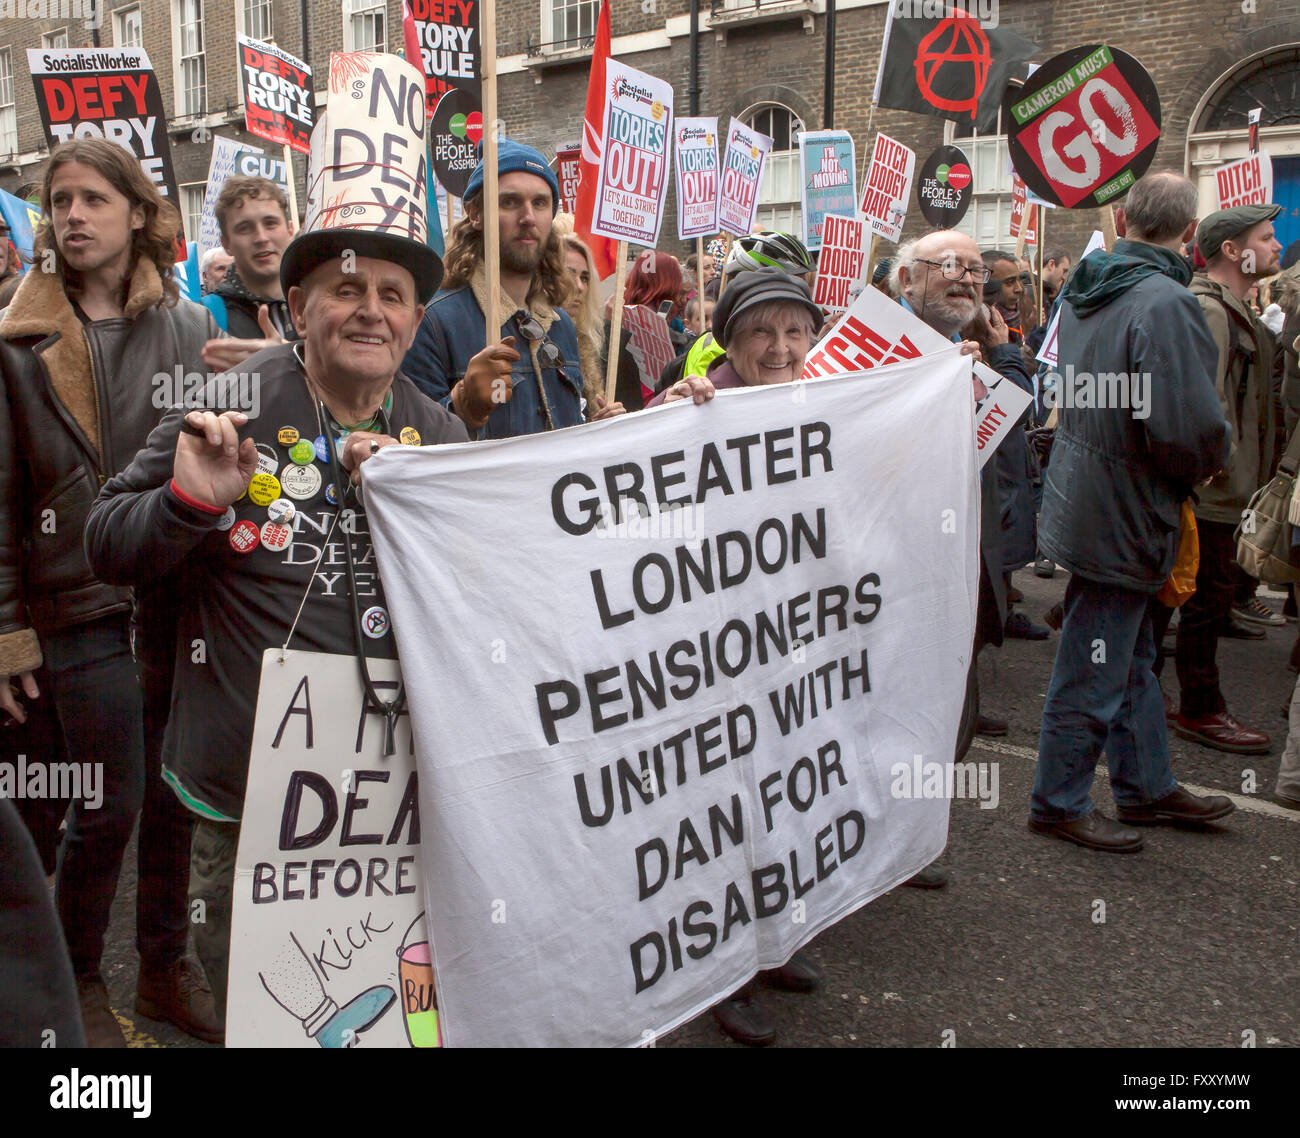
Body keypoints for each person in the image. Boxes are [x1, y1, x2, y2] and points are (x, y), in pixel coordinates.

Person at [85, 172, 469, 1035]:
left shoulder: (439, 434)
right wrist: (188, 503)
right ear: (299, 306)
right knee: (270, 1017)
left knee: (384, 1011)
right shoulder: (234, 399)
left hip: (386, 801)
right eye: (347, 288)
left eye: (393, 295)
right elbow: (106, 539)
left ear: (413, 319)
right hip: (250, 799)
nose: (371, 310)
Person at [0, 138, 221, 1045]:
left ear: (140, 213)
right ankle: (81, 975)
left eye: (94, 198)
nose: (73, 216)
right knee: (105, 804)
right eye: (60, 201)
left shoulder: (187, 326)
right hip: (78, 607)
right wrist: (8, 630)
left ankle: (167, 967)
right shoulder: (17, 343)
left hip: (176, 598)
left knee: (176, 796)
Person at [1031, 171, 1235, 853]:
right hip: (1127, 503)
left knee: (1132, 650)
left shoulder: (1088, 288)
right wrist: (1214, 456)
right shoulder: (1166, 302)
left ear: (1122, 219)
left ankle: (1146, 785)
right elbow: (1183, 426)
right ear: (1189, 233)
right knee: (1098, 656)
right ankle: (1057, 800)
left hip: (1086, 489)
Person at [649, 268, 827, 1047]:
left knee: (781, 795)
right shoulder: (693, 409)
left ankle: (773, 940)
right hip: (707, 655)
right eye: (762, 331)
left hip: (785, 647)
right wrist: (665, 420)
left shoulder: (819, 399)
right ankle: (721, 974)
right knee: (719, 812)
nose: (781, 347)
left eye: (796, 330)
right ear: (728, 340)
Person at [402, 139, 622, 435]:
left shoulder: (562, 326)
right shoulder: (433, 324)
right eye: (509, 202)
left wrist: (599, 433)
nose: (528, 217)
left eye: (540, 203)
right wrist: (463, 407)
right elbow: (410, 446)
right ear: (475, 213)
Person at [1168, 204, 1283, 754]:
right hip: (1212, 491)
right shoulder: (1211, 310)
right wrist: (1218, 469)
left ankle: (1150, 693)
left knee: (1196, 597)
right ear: (1234, 251)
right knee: (1204, 600)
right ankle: (1199, 707)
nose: (1277, 244)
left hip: (1228, 488)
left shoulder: (1238, 309)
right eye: (1266, 236)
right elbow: (1205, 401)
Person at [893, 230, 1011, 756]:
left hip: (957, 574)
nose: (966, 278)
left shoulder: (973, 355)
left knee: (950, 733)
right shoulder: (856, 349)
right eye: (949, 265)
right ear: (906, 277)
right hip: (889, 584)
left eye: (975, 269)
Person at [983, 250, 1024, 342]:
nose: (1019, 289)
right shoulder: (976, 328)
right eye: (1010, 282)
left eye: (1019, 280)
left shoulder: (1024, 316)